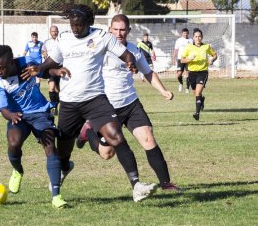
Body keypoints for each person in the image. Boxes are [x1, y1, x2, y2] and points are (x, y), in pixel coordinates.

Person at [23, 4, 158, 202]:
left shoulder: (102, 37)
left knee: (116, 137)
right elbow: (53, 61)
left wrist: (129, 61)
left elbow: (125, 53)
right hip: (69, 103)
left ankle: (136, 186)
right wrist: (40, 68)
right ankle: (65, 167)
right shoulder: (64, 38)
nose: (75, 28)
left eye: (79, 25)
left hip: (95, 99)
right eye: (72, 24)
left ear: (88, 23)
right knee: (63, 151)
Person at [76, 14, 181, 191]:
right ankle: (89, 134)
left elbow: (148, 72)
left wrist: (163, 90)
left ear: (129, 31)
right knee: (107, 153)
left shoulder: (134, 50)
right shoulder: (100, 50)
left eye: (123, 30)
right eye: (115, 29)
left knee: (148, 138)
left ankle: (166, 184)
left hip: (130, 104)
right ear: (110, 30)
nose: (119, 33)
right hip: (106, 107)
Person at [0, 45, 67, 208]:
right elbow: (3, 109)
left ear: (12, 62)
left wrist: (56, 72)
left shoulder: (26, 63)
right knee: (14, 143)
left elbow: (44, 72)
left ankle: (56, 196)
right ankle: (18, 170)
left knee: (50, 145)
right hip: (17, 116)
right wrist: (11, 115)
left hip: (40, 112)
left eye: (2, 67)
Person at [181, 28, 218, 121]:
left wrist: (212, 60)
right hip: (192, 73)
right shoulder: (188, 47)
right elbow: (182, 60)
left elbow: (215, 55)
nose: (198, 38)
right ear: (193, 37)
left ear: (202, 37)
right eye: (196, 36)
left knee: (198, 92)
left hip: (203, 72)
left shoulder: (207, 46)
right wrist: (189, 59)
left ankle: (197, 113)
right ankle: (201, 100)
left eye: (199, 36)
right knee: (196, 94)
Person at [42, 25, 60, 115]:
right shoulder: (47, 42)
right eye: (53, 31)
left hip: (61, 67)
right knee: (52, 87)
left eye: (56, 31)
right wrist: (44, 54)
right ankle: (53, 107)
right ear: (50, 32)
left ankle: (57, 105)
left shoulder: (61, 41)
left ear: (58, 32)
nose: (54, 33)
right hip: (51, 68)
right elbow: (43, 50)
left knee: (59, 90)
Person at [172, 28, 192, 93]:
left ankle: (187, 88)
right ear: (182, 33)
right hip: (180, 59)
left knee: (188, 74)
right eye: (184, 33)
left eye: (186, 33)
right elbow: (176, 50)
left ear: (188, 33)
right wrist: (173, 58)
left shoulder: (191, 40)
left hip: (188, 59)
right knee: (179, 74)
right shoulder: (178, 40)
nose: (185, 34)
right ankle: (181, 83)